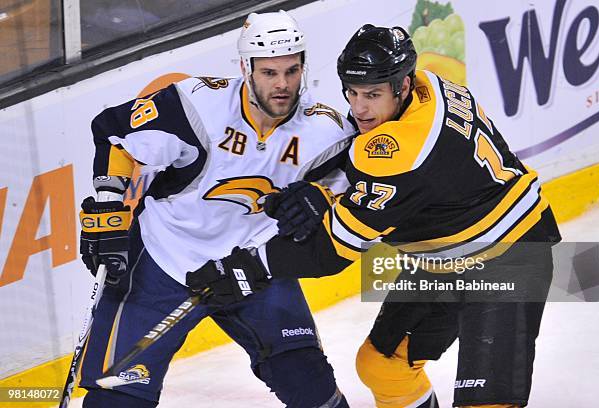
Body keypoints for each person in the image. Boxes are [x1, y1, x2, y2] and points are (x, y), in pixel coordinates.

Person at [187, 24, 562, 408]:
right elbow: (368, 155)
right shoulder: (430, 85)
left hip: (510, 262)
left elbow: (333, 250)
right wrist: (323, 189)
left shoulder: (405, 151)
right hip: (447, 256)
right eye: (351, 92)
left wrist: (252, 264)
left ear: (401, 85)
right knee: (382, 366)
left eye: (372, 94)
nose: (359, 107)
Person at [77, 10, 355, 408]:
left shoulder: (326, 132)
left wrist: (322, 198)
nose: (282, 85)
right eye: (269, 73)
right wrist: (108, 206)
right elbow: (116, 134)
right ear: (246, 68)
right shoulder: (196, 105)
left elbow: (361, 185)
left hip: (253, 269)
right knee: (116, 399)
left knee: (313, 387)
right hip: (164, 265)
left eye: (292, 71)